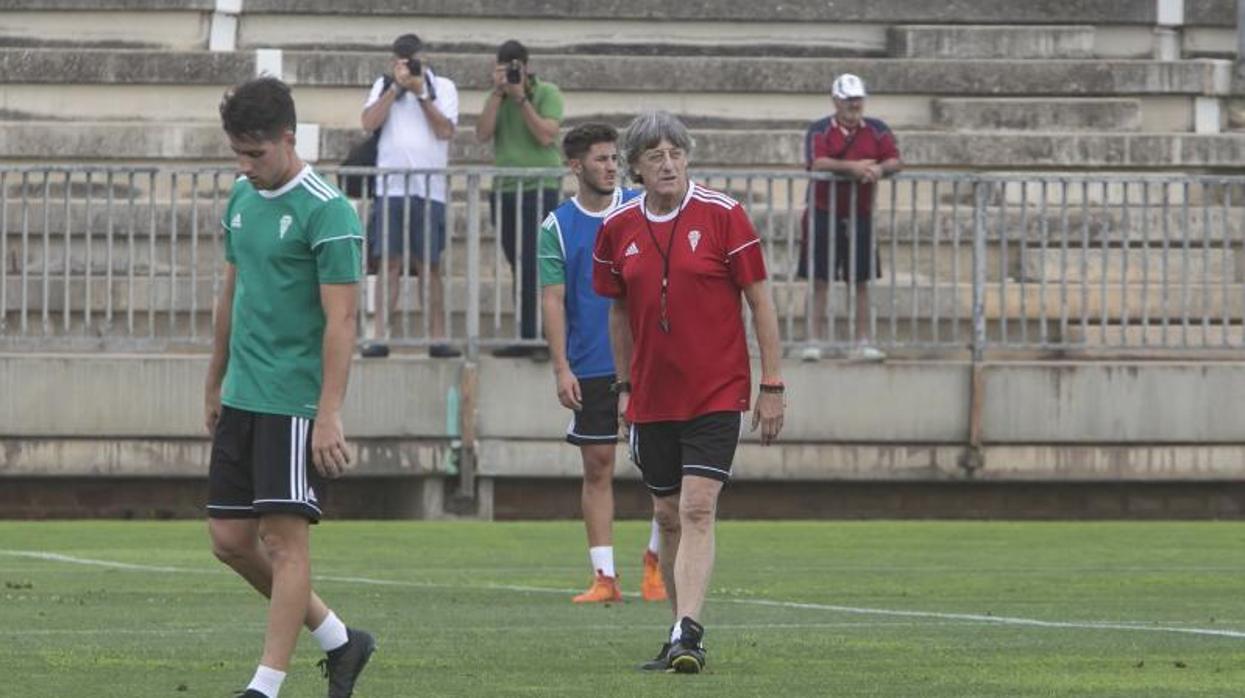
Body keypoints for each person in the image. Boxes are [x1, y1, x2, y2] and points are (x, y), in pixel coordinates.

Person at [592, 111, 786, 673]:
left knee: (698, 507)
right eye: (655, 156)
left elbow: (761, 302)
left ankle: (690, 630)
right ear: (636, 167)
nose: (668, 164)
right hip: (652, 395)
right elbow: (618, 310)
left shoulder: (724, 215)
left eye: (676, 153)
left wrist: (770, 383)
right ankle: (678, 631)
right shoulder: (618, 226)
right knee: (667, 513)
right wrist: (624, 388)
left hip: (718, 390)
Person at [205, 77, 374, 698]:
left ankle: (266, 685)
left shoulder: (328, 210)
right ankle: (338, 639)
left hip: (293, 401)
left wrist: (329, 413)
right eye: (237, 155)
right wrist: (213, 378)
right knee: (228, 541)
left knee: (283, 542)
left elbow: (343, 320)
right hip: (243, 394)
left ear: (287, 138)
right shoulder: (241, 199)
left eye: (256, 154)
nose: (245, 167)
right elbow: (231, 293)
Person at [537, 123, 666, 604]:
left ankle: (655, 563)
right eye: (601, 159)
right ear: (576, 166)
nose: (611, 166)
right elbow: (552, 299)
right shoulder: (557, 226)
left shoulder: (639, 209)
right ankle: (605, 576)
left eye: (615, 158)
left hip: (648, 360)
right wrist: (560, 366)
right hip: (590, 362)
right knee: (598, 465)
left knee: (662, 465)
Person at [359, 33, 461, 359]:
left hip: (429, 190)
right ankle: (379, 338)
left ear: (423, 58)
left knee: (428, 265)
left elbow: (445, 130)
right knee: (388, 263)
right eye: (402, 60)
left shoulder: (442, 87)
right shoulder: (384, 85)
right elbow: (368, 123)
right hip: (391, 188)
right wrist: (395, 89)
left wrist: (420, 94)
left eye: (412, 60)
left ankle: (437, 338)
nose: (408, 66)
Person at [799, 72, 902, 362]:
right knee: (818, 279)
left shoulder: (877, 129)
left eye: (857, 99)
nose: (854, 105)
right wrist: (854, 168)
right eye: (848, 100)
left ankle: (862, 341)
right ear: (835, 101)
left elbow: (895, 158)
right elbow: (817, 161)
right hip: (823, 211)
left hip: (861, 214)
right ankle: (813, 340)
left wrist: (879, 169)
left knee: (861, 281)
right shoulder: (820, 129)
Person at [475, 39, 564, 358]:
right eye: (504, 68)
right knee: (517, 263)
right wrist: (499, 95)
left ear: (526, 68)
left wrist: (521, 99)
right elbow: (482, 134)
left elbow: (546, 135)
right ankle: (526, 334)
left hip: (539, 188)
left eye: (515, 68)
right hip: (506, 190)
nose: (511, 74)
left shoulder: (547, 93)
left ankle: (544, 337)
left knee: (537, 264)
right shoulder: (496, 96)